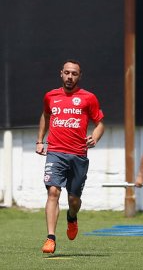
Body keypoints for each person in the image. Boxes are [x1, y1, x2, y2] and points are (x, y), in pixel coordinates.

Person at [36, 59, 104, 254]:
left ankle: (72, 218)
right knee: (53, 193)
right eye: (67, 73)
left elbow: (100, 123)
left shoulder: (88, 98)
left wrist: (95, 137)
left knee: (74, 201)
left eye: (74, 73)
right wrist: (40, 140)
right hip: (55, 152)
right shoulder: (50, 96)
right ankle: (50, 238)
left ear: (79, 76)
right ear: (61, 74)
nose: (70, 77)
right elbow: (46, 116)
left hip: (78, 155)